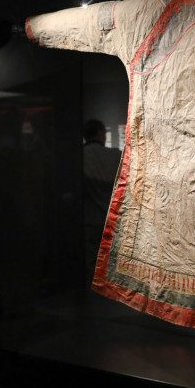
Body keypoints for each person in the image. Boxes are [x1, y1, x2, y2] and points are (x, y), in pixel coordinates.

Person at [82, 119, 121, 288]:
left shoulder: (80, 156)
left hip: (90, 218)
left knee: (91, 264)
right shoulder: (116, 155)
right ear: (100, 133)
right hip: (113, 219)